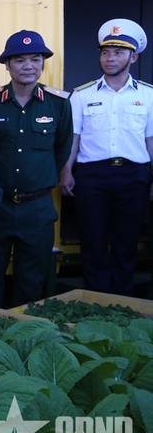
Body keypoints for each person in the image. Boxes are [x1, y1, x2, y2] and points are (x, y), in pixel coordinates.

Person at [0, 31, 72, 309]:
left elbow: (62, 149)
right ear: (7, 64)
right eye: (19, 60)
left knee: (31, 282)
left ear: (43, 63)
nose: (28, 66)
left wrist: (40, 179)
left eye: (35, 59)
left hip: (37, 207)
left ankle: (25, 331)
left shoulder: (59, 104)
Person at [59, 18, 152, 295]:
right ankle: (95, 300)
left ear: (133, 57)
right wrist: (66, 171)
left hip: (134, 176)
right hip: (92, 176)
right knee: (92, 240)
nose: (110, 58)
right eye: (105, 52)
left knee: (127, 241)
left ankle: (123, 301)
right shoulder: (82, 95)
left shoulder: (148, 95)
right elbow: (74, 137)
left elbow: (150, 140)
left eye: (118, 53)